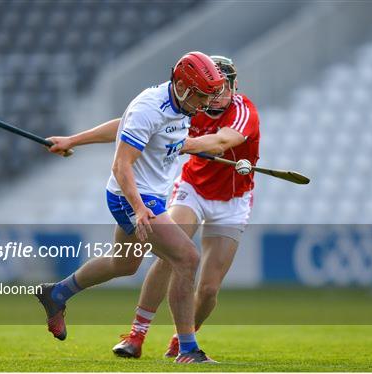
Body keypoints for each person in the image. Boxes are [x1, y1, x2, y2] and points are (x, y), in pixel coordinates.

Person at [36, 51, 226, 364]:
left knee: (124, 264)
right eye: (201, 96)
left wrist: (73, 140)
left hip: (151, 194)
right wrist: (139, 209)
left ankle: (57, 293)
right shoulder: (149, 107)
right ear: (182, 85)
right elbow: (121, 164)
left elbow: (121, 126)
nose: (205, 104)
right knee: (187, 257)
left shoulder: (181, 104)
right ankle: (189, 350)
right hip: (132, 196)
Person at [111, 55, 260, 359]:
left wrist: (175, 143)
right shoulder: (191, 106)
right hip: (192, 189)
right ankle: (137, 335)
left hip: (233, 201)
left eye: (222, 87)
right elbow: (130, 126)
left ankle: (181, 341)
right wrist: (76, 139)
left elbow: (220, 142)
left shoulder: (244, 110)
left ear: (233, 86)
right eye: (211, 89)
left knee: (207, 290)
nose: (215, 95)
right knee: (172, 255)